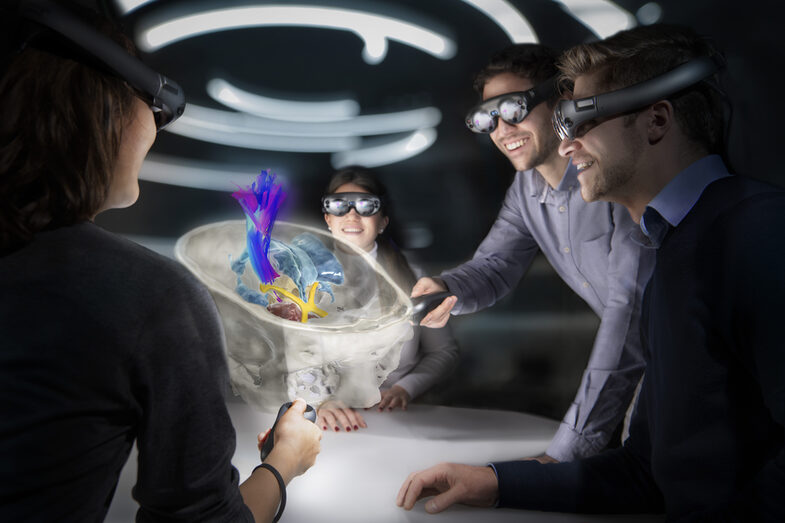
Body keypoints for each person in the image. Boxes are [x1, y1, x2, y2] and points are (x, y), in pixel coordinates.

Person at [397, 24, 785, 521]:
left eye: (579, 119)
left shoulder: (755, 233)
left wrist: (563, 451)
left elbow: (625, 322)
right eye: (486, 118)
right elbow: (648, 473)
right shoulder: (672, 243)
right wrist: (497, 481)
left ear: (658, 121)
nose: (567, 145)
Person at [0, 2, 320, 521]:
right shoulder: (144, 294)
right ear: (100, 106)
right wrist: (286, 460)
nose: (155, 125)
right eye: (152, 105)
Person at [412, 44, 654, 462]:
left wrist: (564, 454)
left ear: (562, 101)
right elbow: (495, 266)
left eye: (513, 107)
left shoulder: (612, 176)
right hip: (647, 371)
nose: (502, 129)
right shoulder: (527, 190)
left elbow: (628, 314)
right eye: (488, 118)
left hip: (696, 364)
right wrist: (445, 288)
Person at [316, 166, 460, 432]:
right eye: (339, 205)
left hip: (400, 421)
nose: (351, 214)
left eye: (365, 205)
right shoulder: (304, 281)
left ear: (382, 221)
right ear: (328, 218)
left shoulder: (416, 279)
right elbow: (283, 358)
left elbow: (443, 352)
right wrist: (319, 400)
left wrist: (405, 388)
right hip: (329, 425)